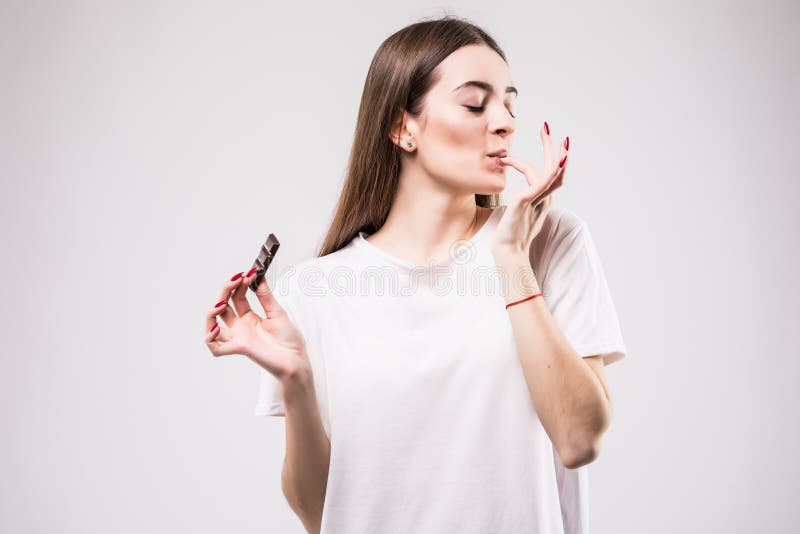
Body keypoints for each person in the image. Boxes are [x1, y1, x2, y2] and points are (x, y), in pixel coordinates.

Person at [204, 15, 627, 534]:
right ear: (403, 127)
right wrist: (295, 379)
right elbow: (320, 515)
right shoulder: (310, 292)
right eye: (475, 103)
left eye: (510, 104)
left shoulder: (551, 241)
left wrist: (513, 259)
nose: (505, 122)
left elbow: (580, 439)